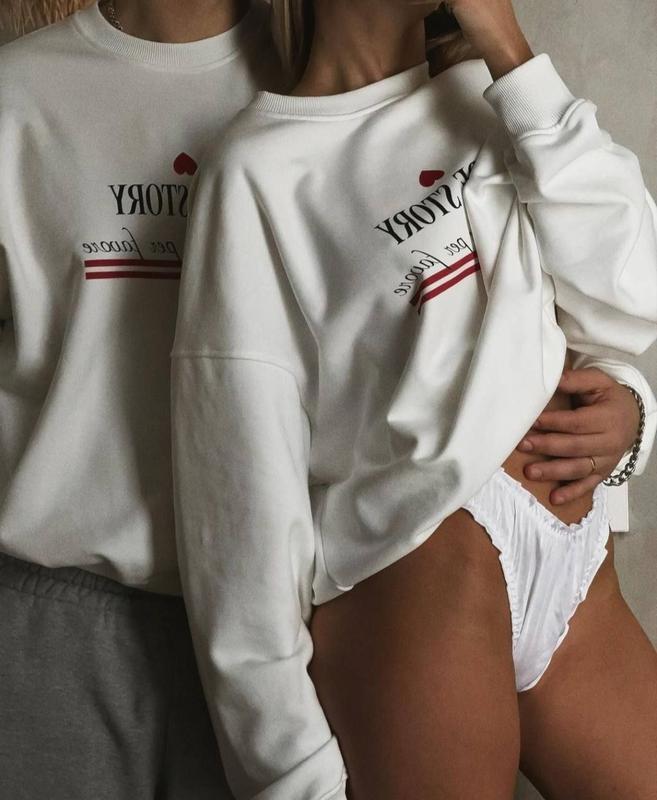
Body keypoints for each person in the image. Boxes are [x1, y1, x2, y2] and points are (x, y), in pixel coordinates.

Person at [171, 1, 657, 798]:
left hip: (577, 574)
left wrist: (630, 412)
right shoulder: (255, 170)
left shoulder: (494, 94)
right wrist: (291, 777)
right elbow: (236, 497)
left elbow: (627, 296)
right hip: (421, 586)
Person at [0, 1, 283, 798]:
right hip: (53, 619)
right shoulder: (18, 92)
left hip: (282, 630)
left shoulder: (317, 80)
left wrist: (608, 386)